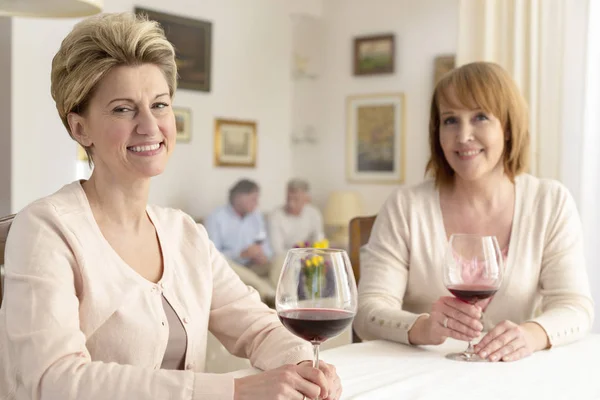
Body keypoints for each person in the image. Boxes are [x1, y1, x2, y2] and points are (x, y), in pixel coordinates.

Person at [0, 13, 342, 400]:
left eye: (159, 105)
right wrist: (235, 390)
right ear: (80, 129)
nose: (150, 126)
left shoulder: (184, 233)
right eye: (122, 109)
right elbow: (53, 380)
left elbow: (259, 328)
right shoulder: (45, 228)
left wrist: (301, 363)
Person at [354, 61, 594, 362]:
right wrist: (423, 327)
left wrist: (530, 335)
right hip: (420, 375)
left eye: (480, 117)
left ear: (507, 128)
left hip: (509, 376)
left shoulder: (550, 202)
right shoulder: (405, 206)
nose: (463, 135)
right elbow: (368, 313)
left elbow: (575, 307)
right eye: (450, 120)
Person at [204, 179, 277, 301]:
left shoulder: (256, 216)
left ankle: (279, 293)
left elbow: (264, 244)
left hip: (256, 264)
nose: (257, 203)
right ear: (239, 198)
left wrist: (264, 255)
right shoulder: (216, 217)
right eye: (253, 199)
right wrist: (241, 254)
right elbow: (213, 255)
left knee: (282, 258)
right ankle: (268, 293)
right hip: (234, 265)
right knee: (225, 262)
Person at [269, 179, 325, 257]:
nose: (291, 204)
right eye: (288, 199)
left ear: (307, 199)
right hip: (285, 259)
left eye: (296, 199)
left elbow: (319, 240)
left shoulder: (314, 214)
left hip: (309, 257)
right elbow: (277, 251)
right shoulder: (276, 216)